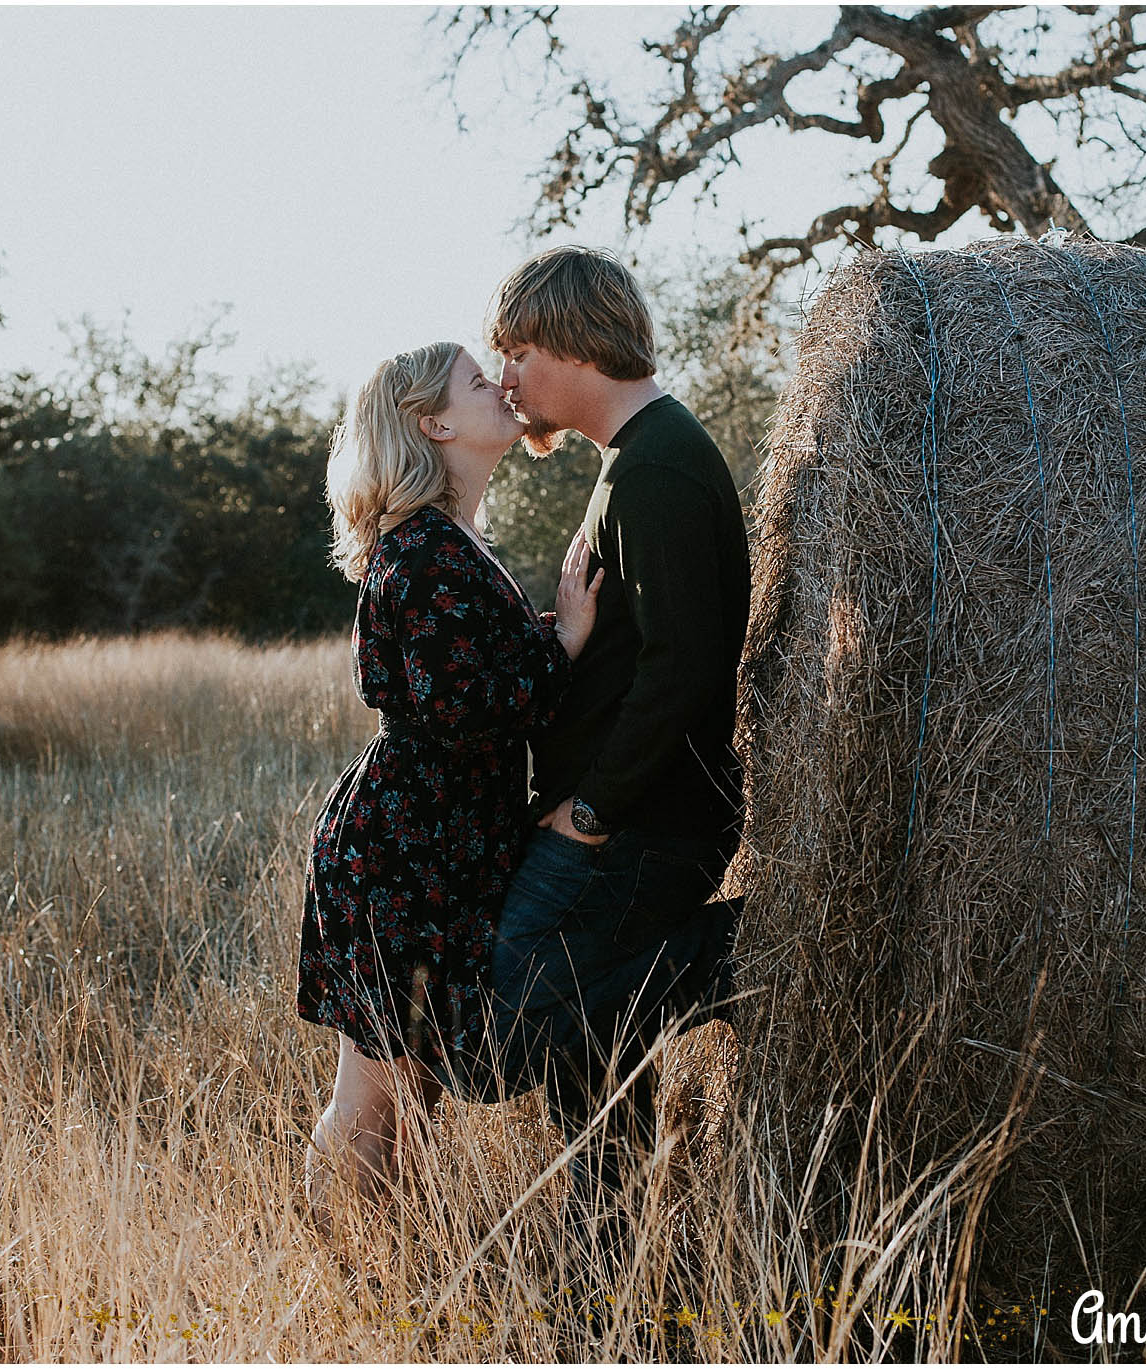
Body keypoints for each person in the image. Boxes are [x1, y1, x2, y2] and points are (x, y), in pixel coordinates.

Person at [471, 246, 751, 1246]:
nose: (505, 379)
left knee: (517, 1017)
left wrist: (591, 809)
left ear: (572, 341)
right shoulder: (632, 461)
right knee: (591, 1049)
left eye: (515, 352)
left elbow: (685, 666)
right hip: (625, 814)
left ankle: (733, 957)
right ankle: (609, 1257)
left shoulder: (662, 463)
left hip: (643, 822)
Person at [296, 340, 603, 1229]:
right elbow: (462, 709)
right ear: (435, 424)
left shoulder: (453, 541)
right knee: (375, 1091)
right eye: (478, 381)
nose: (501, 386)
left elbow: (465, 677)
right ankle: (337, 1271)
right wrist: (567, 643)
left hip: (438, 845)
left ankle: (395, 1265)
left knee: (413, 1087)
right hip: (405, 851)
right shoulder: (426, 551)